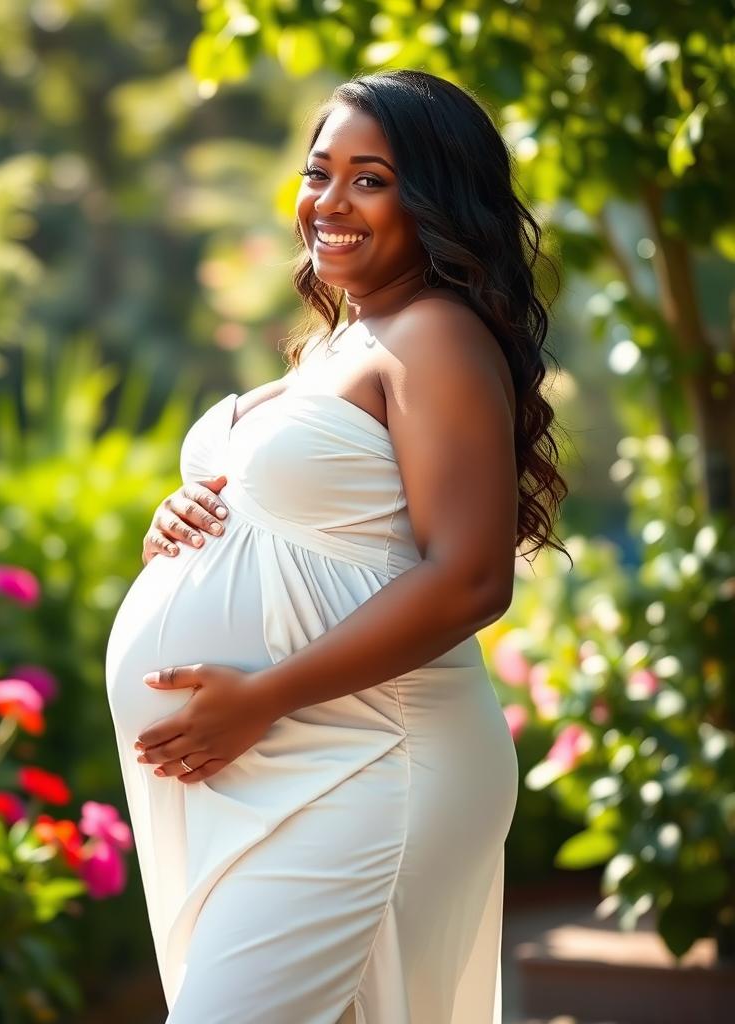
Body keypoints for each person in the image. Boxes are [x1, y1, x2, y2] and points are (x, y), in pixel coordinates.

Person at [104, 68, 569, 1024]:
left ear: (439, 198)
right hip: (288, 761)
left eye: (372, 178)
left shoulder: (435, 334)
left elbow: (473, 578)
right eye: (320, 172)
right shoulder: (343, 342)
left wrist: (263, 696)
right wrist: (183, 522)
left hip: (371, 761)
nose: (330, 202)